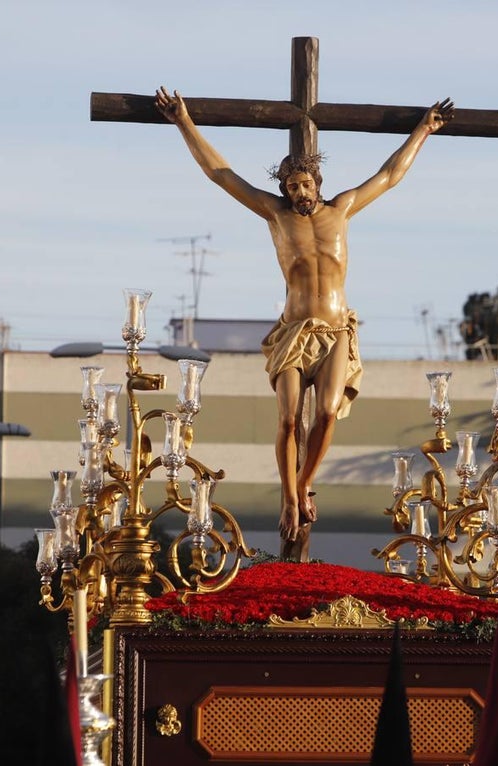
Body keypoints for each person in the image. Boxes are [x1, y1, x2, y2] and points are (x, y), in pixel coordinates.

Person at [155, 86, 455, 555]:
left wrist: (423, 130)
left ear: (318, 183)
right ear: (284, 190)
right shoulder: (275, 216)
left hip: (336, 331)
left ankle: (302, 484)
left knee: (329, 412)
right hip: (295, 333)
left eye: (306, 185)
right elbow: (222, 175)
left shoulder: (343, 209)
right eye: (292, 187)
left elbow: (390, 174)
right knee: (290, 421)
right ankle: (291, 499)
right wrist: (184, 122)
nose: (299, 193)